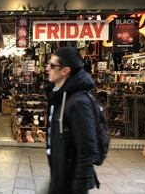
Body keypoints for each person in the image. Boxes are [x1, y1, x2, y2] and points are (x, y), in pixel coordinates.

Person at [45, 47, 99, 194]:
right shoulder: (60, 96)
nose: (47, 68)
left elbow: (88, 150)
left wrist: (79, 187)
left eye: (52, 65)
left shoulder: (78, 102)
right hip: (60, 175)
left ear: (65, 71)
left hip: (71, 183)